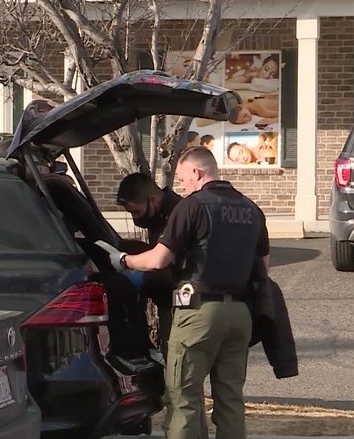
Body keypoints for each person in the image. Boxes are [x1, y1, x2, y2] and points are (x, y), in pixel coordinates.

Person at [109, 146, 270, 439]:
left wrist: (123, 261)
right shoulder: (251, 209)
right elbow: (263, 266)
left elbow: (159, 259)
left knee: (183, 398)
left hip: (198, 313)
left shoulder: (192, 206)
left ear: (197, 172)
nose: (181, 186)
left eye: (183, 179)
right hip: (240, 315)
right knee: (231, 400)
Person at [116, 172, 183, 356]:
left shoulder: (178, 214)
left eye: (137, 211)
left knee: (179, 368)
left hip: (182, 303)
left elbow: (161, 262)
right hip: (170, 300)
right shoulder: (157, 215)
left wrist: (127, 262)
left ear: (152, 199)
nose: (136, 218)